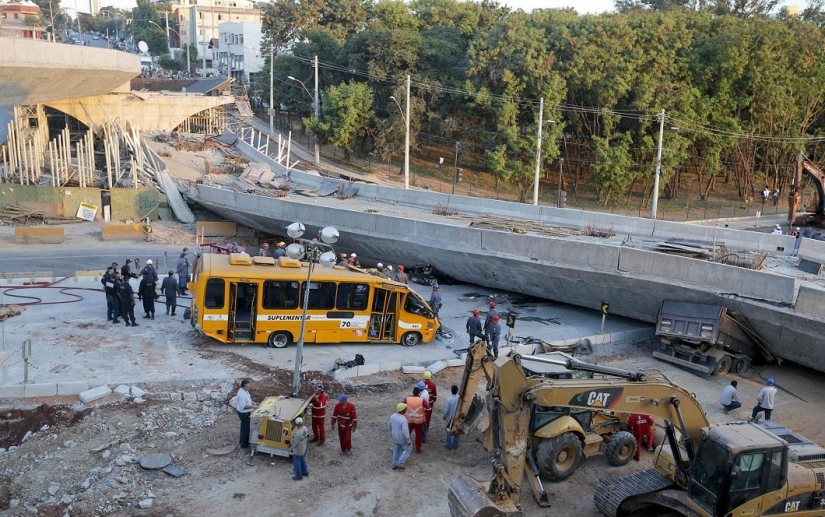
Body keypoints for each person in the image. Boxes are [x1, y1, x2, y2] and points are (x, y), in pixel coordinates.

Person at [403, 386, 430, 453]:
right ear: (419, 393)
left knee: (407, 433)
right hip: (418, 420)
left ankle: (405, 447)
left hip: (409, 419)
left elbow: (402, 407)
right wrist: (424, 413)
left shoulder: (407, 399)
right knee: (418, 435)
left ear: (413, 392)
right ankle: (418, 449)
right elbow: (429, 409)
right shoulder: (421, 400)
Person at [389, 402, 412, 470]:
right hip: (402, 438)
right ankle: (400, 462)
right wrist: (408, 440)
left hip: (395, 436)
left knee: (396, 450)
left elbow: (389, 425)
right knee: (408, 449)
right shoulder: (403, 419)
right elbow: (405, 432)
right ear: (403, 410)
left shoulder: (392, 416)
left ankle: (394, 464)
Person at [236, 379, 256, 449]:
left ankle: (242, 442)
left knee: (244, 427)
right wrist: (252, 406)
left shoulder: (245, 391)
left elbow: (248, 399)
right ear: (243, 386)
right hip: (244, 413)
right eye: (247, 386)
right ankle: (244, 444)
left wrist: (252, 402)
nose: (248, 388)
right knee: (246, 429)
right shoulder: (241, 394)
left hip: (245, 413)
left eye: (249, 386)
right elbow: (243, 406)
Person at [443, 385, 460, 450]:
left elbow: (446, 410)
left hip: (450, 418)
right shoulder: (459, 398)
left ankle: (449, 444)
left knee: (449, 431)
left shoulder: (448, 399)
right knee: (457, 430)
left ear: (451, 390)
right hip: (457, 418)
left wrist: (444, 416)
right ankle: (455, 445)